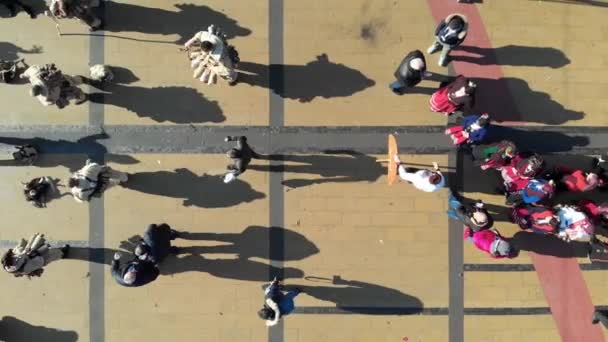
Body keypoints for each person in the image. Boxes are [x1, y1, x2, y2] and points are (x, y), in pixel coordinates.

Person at [1, 233, 69, 278]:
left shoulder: (7, 267)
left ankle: (56, 251)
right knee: (52, 254)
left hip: (30, 262)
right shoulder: (18, 259)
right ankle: (63, 253)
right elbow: (25, 252)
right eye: (11, 254)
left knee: (41, 251)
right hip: (37, 261)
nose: (12, 253)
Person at [20, 64, 86, 108]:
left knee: (74, 93)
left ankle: (82, 96)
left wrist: (24, 75)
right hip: (62, 79)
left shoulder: (48, 96)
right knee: (72, 80)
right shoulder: (36, 75)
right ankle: (80, 79)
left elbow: (50, 102)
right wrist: (23, 74)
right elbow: (31, 69)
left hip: (63, 88)